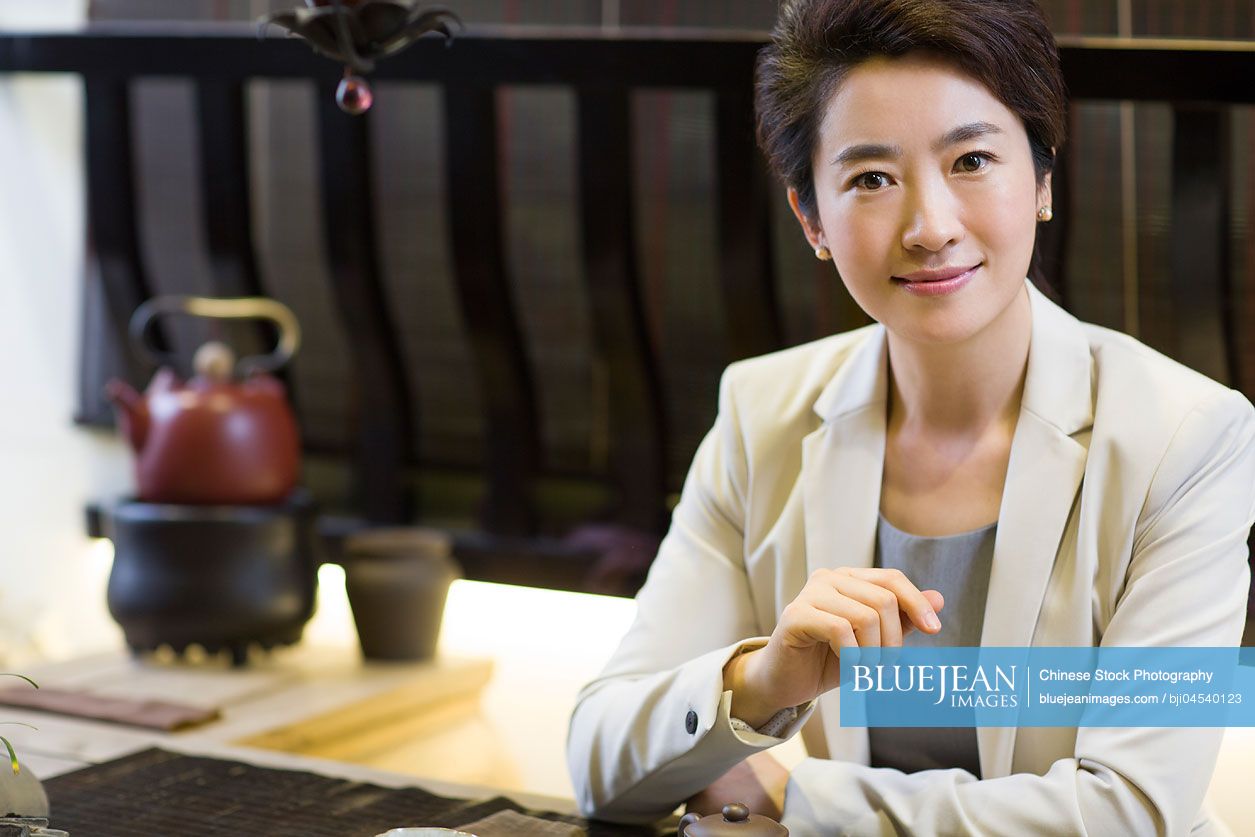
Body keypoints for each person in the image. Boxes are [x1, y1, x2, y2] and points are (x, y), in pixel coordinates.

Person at [566, 0, 1255, 834]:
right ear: (810, 219)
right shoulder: (761, 414)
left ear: (1040, 181)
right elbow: (600, 762)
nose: (930, 228)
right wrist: (759, 684)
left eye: (970, 159)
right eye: (870, 179)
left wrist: (794, 799)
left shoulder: (1190, 437)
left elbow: (1128, 812)